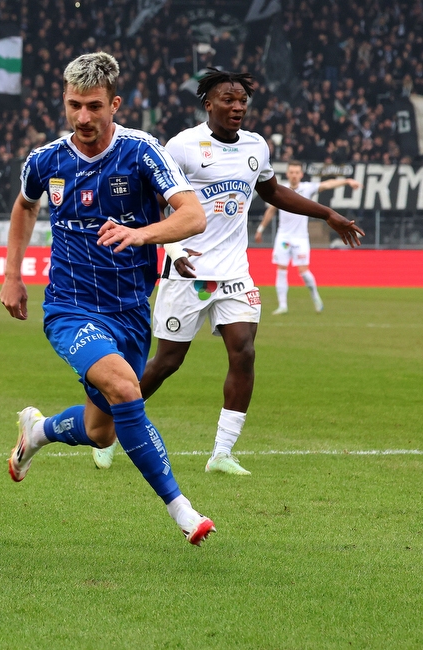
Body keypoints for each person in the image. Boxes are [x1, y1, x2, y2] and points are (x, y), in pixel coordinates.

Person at [91, 69, 365, 476]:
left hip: (235, 271)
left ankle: (222, 452)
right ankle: (110, 427)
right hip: (186, 270)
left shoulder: (256, 146)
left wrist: (327, 214)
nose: (237, 107)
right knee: (166, 363)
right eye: (228, 100)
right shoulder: (184, 146)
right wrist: (172, 245)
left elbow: (271, 192)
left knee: (245, 351)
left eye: (242, 102)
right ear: (208, 104)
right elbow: (155, 201)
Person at [0, 52, 216, 546]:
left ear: (114, 103)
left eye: (94, 106)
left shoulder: (141, 152)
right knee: (124, 386)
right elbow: (24, 206)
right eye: (74, 105)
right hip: (70, 309)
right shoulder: (46, 159)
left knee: (102, 430)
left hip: (131, 312)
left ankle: (38, 432)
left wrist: (142, 235)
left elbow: (192, 215)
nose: (83, 117)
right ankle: (183, 512)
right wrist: (12, 275)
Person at [255, 162, 362, 314]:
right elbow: (271, 211)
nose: (294, 174)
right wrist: (260, 229)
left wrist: (347, 181)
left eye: (296, 172)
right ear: (287, 174)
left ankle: (316, 298)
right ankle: (282, 305)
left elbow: (327, 184)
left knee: (304, 271)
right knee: (281, 269)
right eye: (291, 172)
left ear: (301, 174)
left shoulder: (307, 188)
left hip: (300, 238)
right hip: (284, 236)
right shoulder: (280, 190)